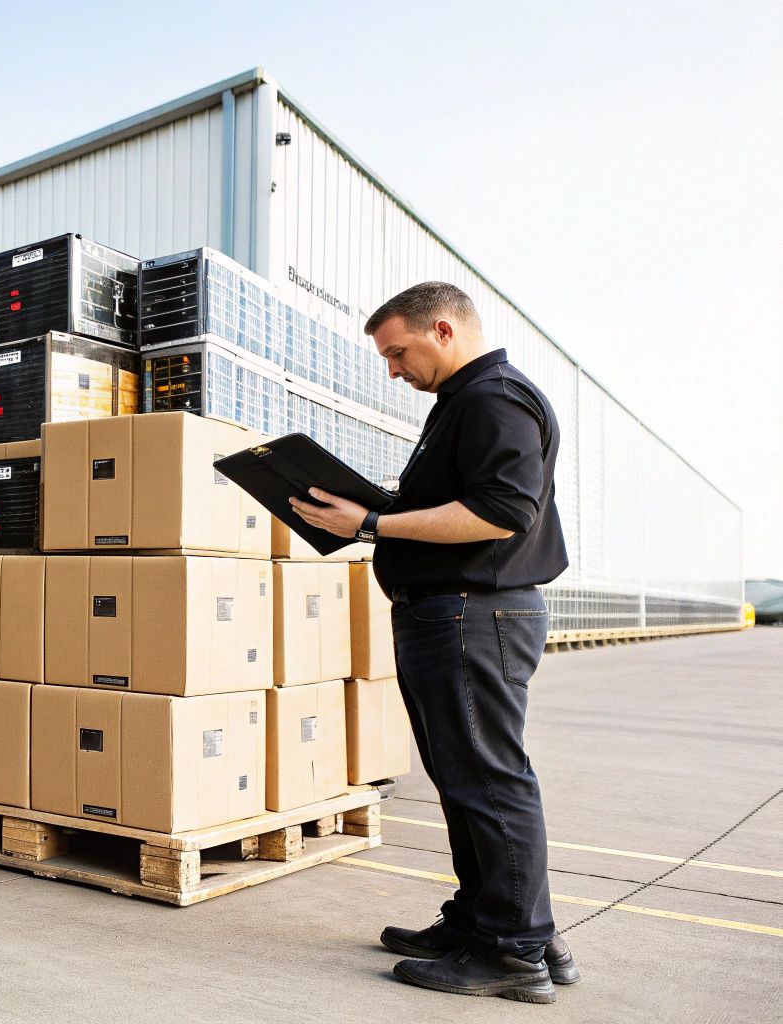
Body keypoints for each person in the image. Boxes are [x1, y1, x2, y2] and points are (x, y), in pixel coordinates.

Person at [288, 281, 577, 1004]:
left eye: (397, 353)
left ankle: (512, 952)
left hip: (470, 616)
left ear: (442, 330)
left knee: (487, 781)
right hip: (451, 615)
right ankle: (499, 926)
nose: (392, 371)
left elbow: (503, 511)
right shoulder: (465, 403)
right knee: (467, 781)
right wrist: (364, 508)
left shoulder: (492, 399)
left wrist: (370, 525)